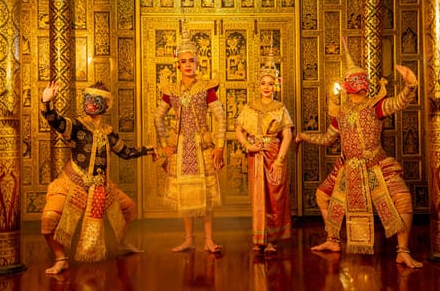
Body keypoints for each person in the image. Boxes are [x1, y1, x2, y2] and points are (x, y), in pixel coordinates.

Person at [295, 38, 423, 268]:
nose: (359, 83)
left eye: (361, 79)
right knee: (322, 195)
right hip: (346, 167)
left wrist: (410, 86)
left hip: (375, 164)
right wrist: (303, 136)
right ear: (347, 85)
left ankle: (402, 250)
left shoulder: (375, 106)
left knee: (403, 199)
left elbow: (398, 103)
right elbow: (327, 139)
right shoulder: (340, 112)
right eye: (355, 80)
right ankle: (332, 240)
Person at [41, 81, 154, 274]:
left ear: (106, 105)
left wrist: (148, 150)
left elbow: (125, 152)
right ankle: (61, 258)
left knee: (129, 208)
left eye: (96, 100)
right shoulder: (76, 126)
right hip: (73, 183)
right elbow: (55, 121)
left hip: (102, 186)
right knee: (49, 218)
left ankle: (122, 243)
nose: (91, 103)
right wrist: (47, 103)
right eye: (88, 98)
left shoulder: (108, 133)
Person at [154, 29, 226, 253]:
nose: (187, 65)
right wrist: (165, 141)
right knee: (185, 195)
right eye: (183, 61)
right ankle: (188, 238)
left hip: (202, 147)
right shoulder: (171, 90)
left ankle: (208, 239)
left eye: (191, 61)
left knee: (205, 196)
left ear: (197, 63)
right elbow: (158, 116)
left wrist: (220, 146)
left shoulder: (206, 88)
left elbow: (220, 116)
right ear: (178, 64)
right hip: (180, 148)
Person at [235, 55, 293, 254]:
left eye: (270, 83)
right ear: (258, 85)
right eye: (263, 83)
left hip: (275, 155)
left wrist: (280, 160)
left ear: (275, 86)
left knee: (275, 197)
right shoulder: (250, 107)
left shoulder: (280, 108)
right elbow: (239, 130)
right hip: (256, 156)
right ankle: (259, 238)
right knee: (259, 198)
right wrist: (247, 146)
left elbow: (287, 135)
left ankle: (272, 240)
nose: (267, 87)